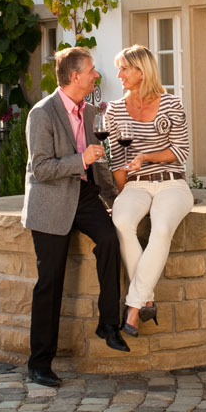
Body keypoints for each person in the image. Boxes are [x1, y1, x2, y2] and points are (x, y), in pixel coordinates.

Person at [21, 46, 130, 388]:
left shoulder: (92, 112)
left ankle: (107, 323)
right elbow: (41, 169)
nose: (96, 75)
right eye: (92, 70)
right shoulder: (42, 113)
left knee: (111, 240)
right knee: (50, 283)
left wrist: (117, 199)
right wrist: (81, 160)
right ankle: (40, 364)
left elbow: (99, 164)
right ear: (74, 76)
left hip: (84, 196)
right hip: (51, 200)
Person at [104, 45, 193, 337]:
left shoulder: (171, 104)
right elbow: (118, 160)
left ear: (141, 72)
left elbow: (180, 150)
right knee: (121, 221)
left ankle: (134, 306)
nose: (119, 75)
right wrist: (123, 195)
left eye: (124, 69)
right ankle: (146, 299)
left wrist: (146, 156)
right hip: (135, 184)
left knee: (162, 228)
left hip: (171, 182)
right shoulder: (115, 111)